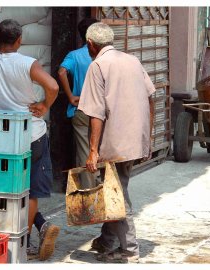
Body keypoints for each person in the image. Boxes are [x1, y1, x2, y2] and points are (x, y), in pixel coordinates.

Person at [0, 19, 60, 261]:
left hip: (0, 134)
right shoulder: (27, 63)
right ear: (19, 40)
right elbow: (52, 86)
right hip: (31, 133)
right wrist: (44, 105)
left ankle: (14, 235)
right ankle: (26, 242)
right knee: (30, 191)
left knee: (7, 188)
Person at [78, 22, 155, 263]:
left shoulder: (98, 65)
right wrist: (148, 137)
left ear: (90, 45)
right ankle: (107, 240)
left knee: (117, 195)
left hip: (115, 143)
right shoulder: (132, 60)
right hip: (135, 139)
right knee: (116, 187)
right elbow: (151, 98)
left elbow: (96, 113)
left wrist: (92, 151)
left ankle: (130, 250)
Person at [58, 18, 99, 189]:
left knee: (84, 151)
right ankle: (101, 186)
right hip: (101, 109)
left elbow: (61, 72)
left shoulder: (74, 55)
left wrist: (70, 96)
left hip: (81, 107)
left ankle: (87, 190)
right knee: (99, 149)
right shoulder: (103, 56)